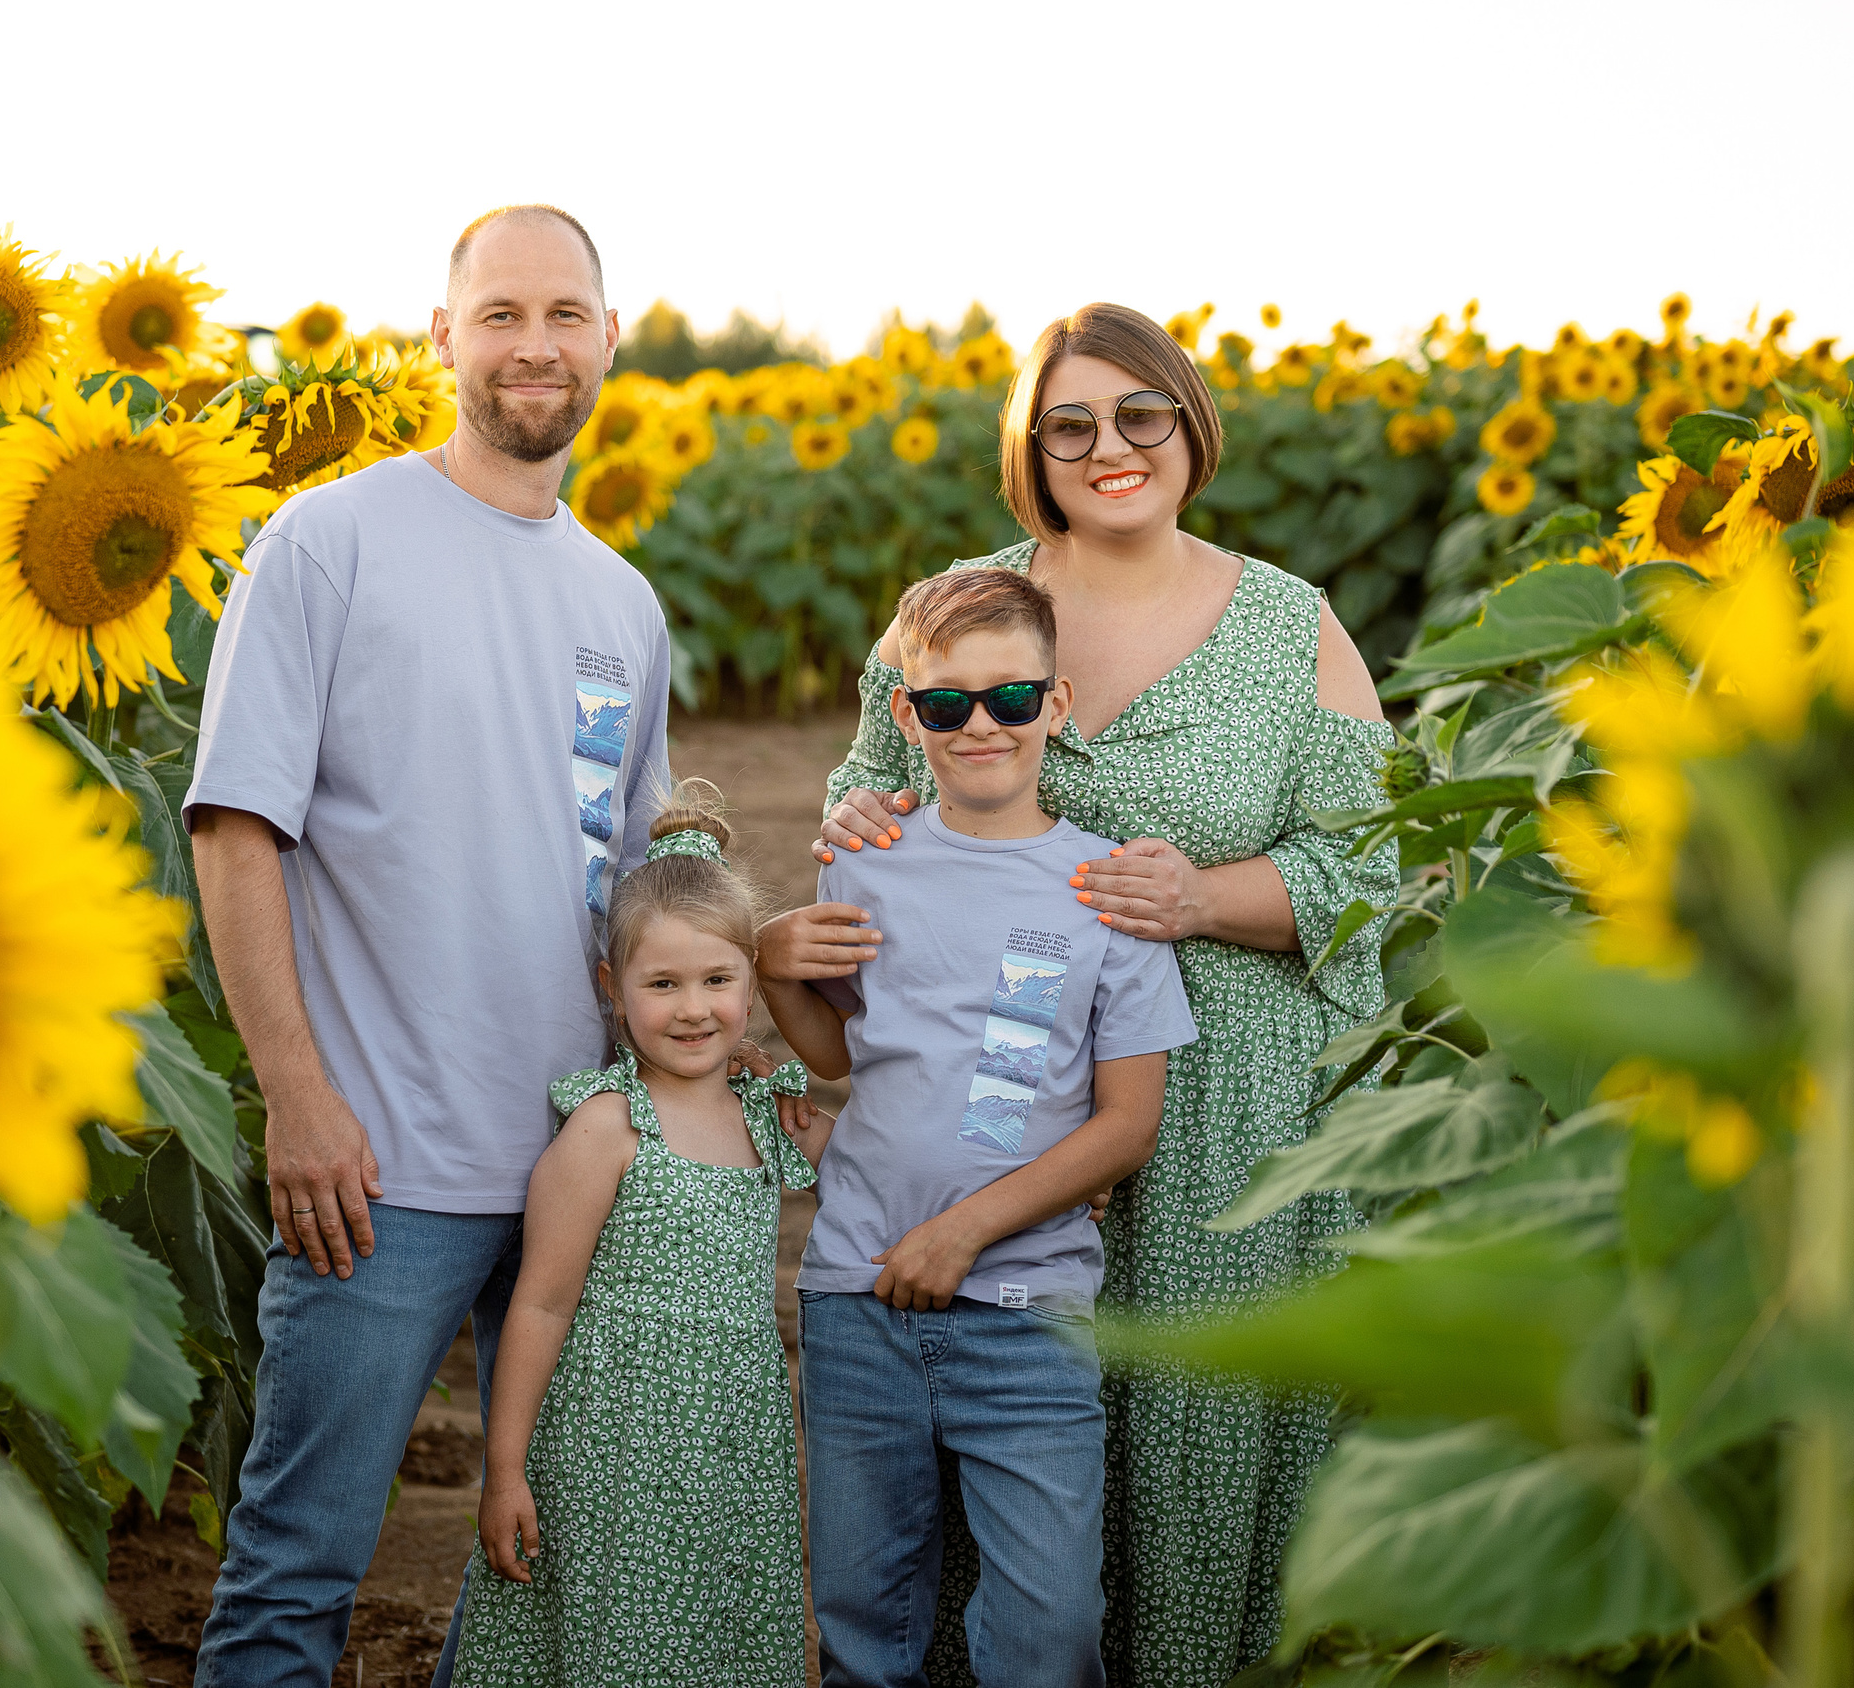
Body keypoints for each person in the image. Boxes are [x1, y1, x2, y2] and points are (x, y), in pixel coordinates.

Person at [758, 304, 1397, 1687]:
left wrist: (1207, 898)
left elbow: (1380, 869)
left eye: (1139, 414)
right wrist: (858, 819)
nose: (1110, 447)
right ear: (1032, 452)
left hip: (1216, 1110)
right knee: (988, 1466)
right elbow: (868, 795)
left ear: (1189, 423)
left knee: (1187, 1448)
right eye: (1071, 425)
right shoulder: (961, 608)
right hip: (994, 1105)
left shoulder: (1292, 628)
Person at [184, 205, 674, 1688]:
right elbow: (234, 830)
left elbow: (638, 893)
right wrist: (298, 1096)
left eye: (566, 314)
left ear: (607, 338)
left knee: (541, 1574)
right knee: (296, 1571)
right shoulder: (331, 541)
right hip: (376, 1171)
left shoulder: (624, 605)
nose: (537, 345)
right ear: (443, 335)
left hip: (569, 1165)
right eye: (503, 312)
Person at [761, 565, 1198, 1688]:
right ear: (905, 716)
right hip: (857, 1298)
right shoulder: (865, 860)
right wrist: (774, 967)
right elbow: (839, 1052)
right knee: (864, 1618)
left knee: (1048, 1630)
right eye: (946, 703)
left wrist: (965, 1230)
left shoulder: (1105, 890)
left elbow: (1127, 1124)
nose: (980, 725)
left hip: (1028, 1314)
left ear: (1057, 702)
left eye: (1010, 697)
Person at [451, 785, 815, 1687]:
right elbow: (539, 1302)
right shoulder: (609, 1126)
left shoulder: (770, 1112)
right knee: (622, 1646)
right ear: (613, 989)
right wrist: (505, 1473)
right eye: (663, 983)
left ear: (749, 982)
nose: (693, 1008)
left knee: (719, 1641)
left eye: (717, 980)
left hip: (732, 1445)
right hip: (614, 1452)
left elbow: (884, 1161)